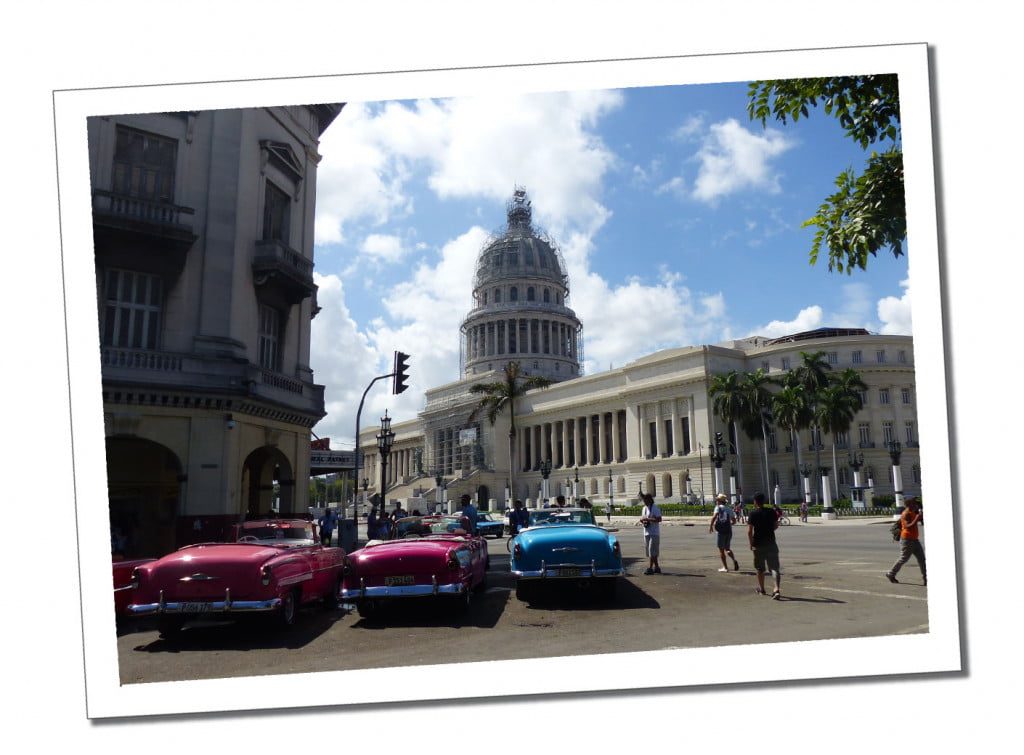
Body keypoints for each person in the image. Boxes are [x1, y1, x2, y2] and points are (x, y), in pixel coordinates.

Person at [747, 491, 782, 599]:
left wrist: (751, 543)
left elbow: (749, 531)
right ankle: (776, 589)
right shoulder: (771, 511)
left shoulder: (753, 513)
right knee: (774, 568)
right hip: (771, 542)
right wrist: (769, 530)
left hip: (758, 544)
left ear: (755, 502)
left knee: (760, 569)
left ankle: (762, 589)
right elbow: (776, 525)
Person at [886, 498, 926, 585]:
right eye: (914, 503)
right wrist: (917, 518)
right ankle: (891, 573)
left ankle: (926, 578)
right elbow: (908, 526)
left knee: (922, 559)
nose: (916, 505)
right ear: (909, 504)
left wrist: (920, 517)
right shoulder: (906, 514)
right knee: (903, 558)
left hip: (914, 539)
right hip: (907, 540)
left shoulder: (912, 512)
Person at [710, 494, 740, 572]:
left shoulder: (718, 508)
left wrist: (711, 526)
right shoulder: (729, 509)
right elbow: (734, 521)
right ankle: (734, 560)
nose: (716, 502)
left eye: (717, 500)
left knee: (721, 550)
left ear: (719, 501)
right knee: (727, 548)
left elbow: (714, 516)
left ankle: (725, 567)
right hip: (728, 531)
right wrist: (728, 524)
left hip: (720, 531)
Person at [639, 493, 663, 575]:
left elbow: (659, 519)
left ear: (649, 500)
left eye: (645, 500)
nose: (644, 502)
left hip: (654, 532)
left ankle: (649, 568)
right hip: (646, 532)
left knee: (651, 550)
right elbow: (643, 518)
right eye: (643, 500)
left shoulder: (655, 508)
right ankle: (657, 567)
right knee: (651, 551)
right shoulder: (644, 508)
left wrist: (648, 519)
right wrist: (642, 520)